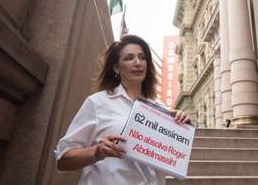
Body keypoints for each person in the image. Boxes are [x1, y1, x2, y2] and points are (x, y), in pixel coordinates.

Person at [55, 34, 190, 185]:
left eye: (142, 57)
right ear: (116, 68)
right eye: (129, 58)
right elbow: (63, 160)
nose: (138, 63)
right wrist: (96, 152)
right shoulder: (98, 102)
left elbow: (173, 159)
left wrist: (180, 128)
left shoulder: (160, 109)